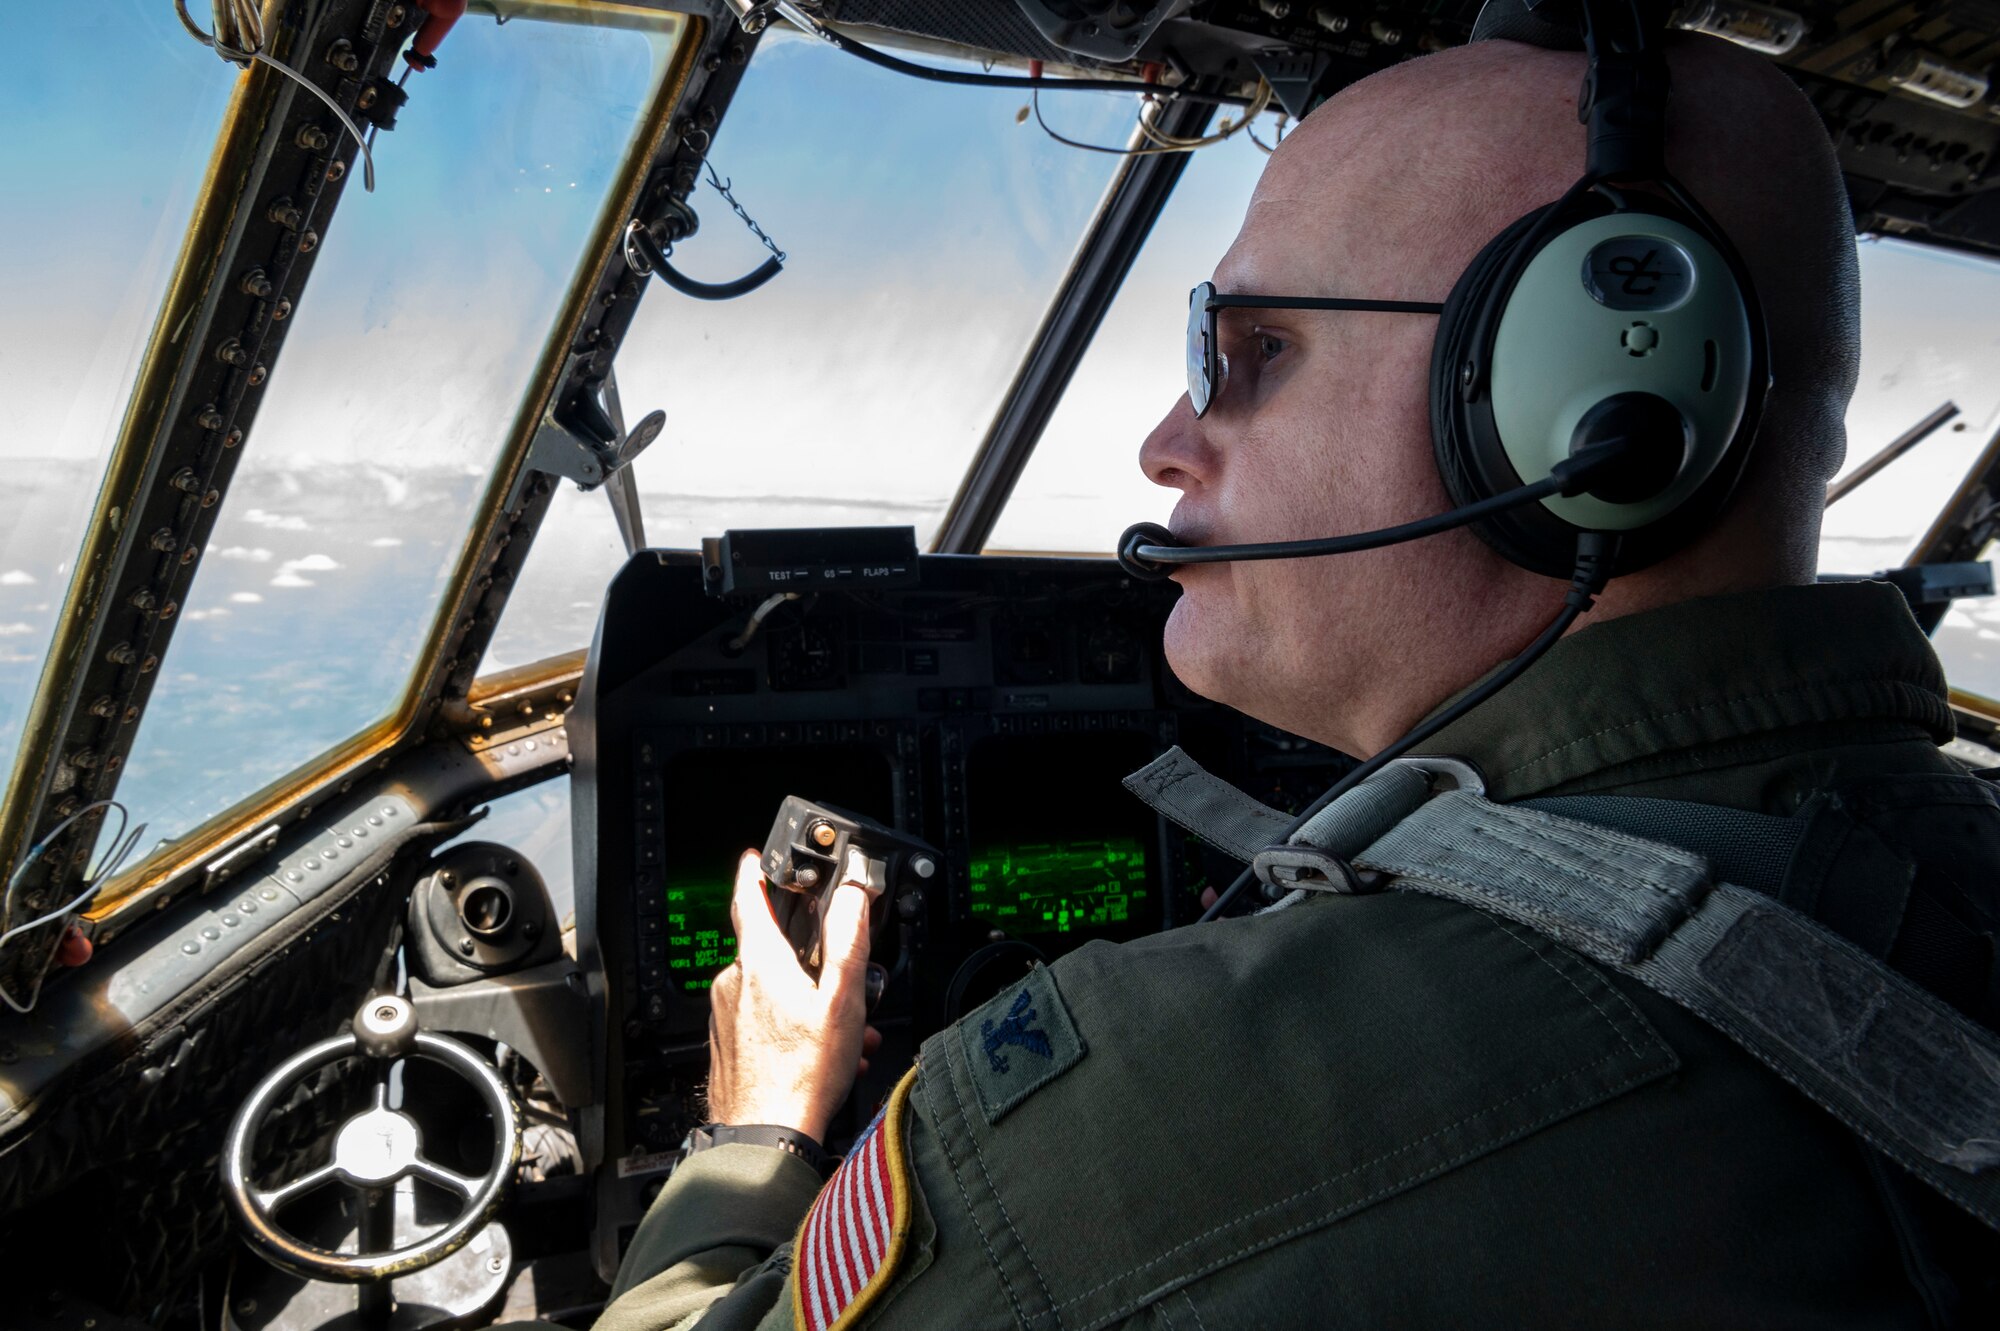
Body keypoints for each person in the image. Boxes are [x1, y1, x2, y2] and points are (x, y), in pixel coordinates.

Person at [578, 29, 2000, 1331]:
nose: (1163, 443)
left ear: (1573, 414)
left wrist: (753, 1137)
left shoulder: (1151, 1122)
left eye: (1252, 352)